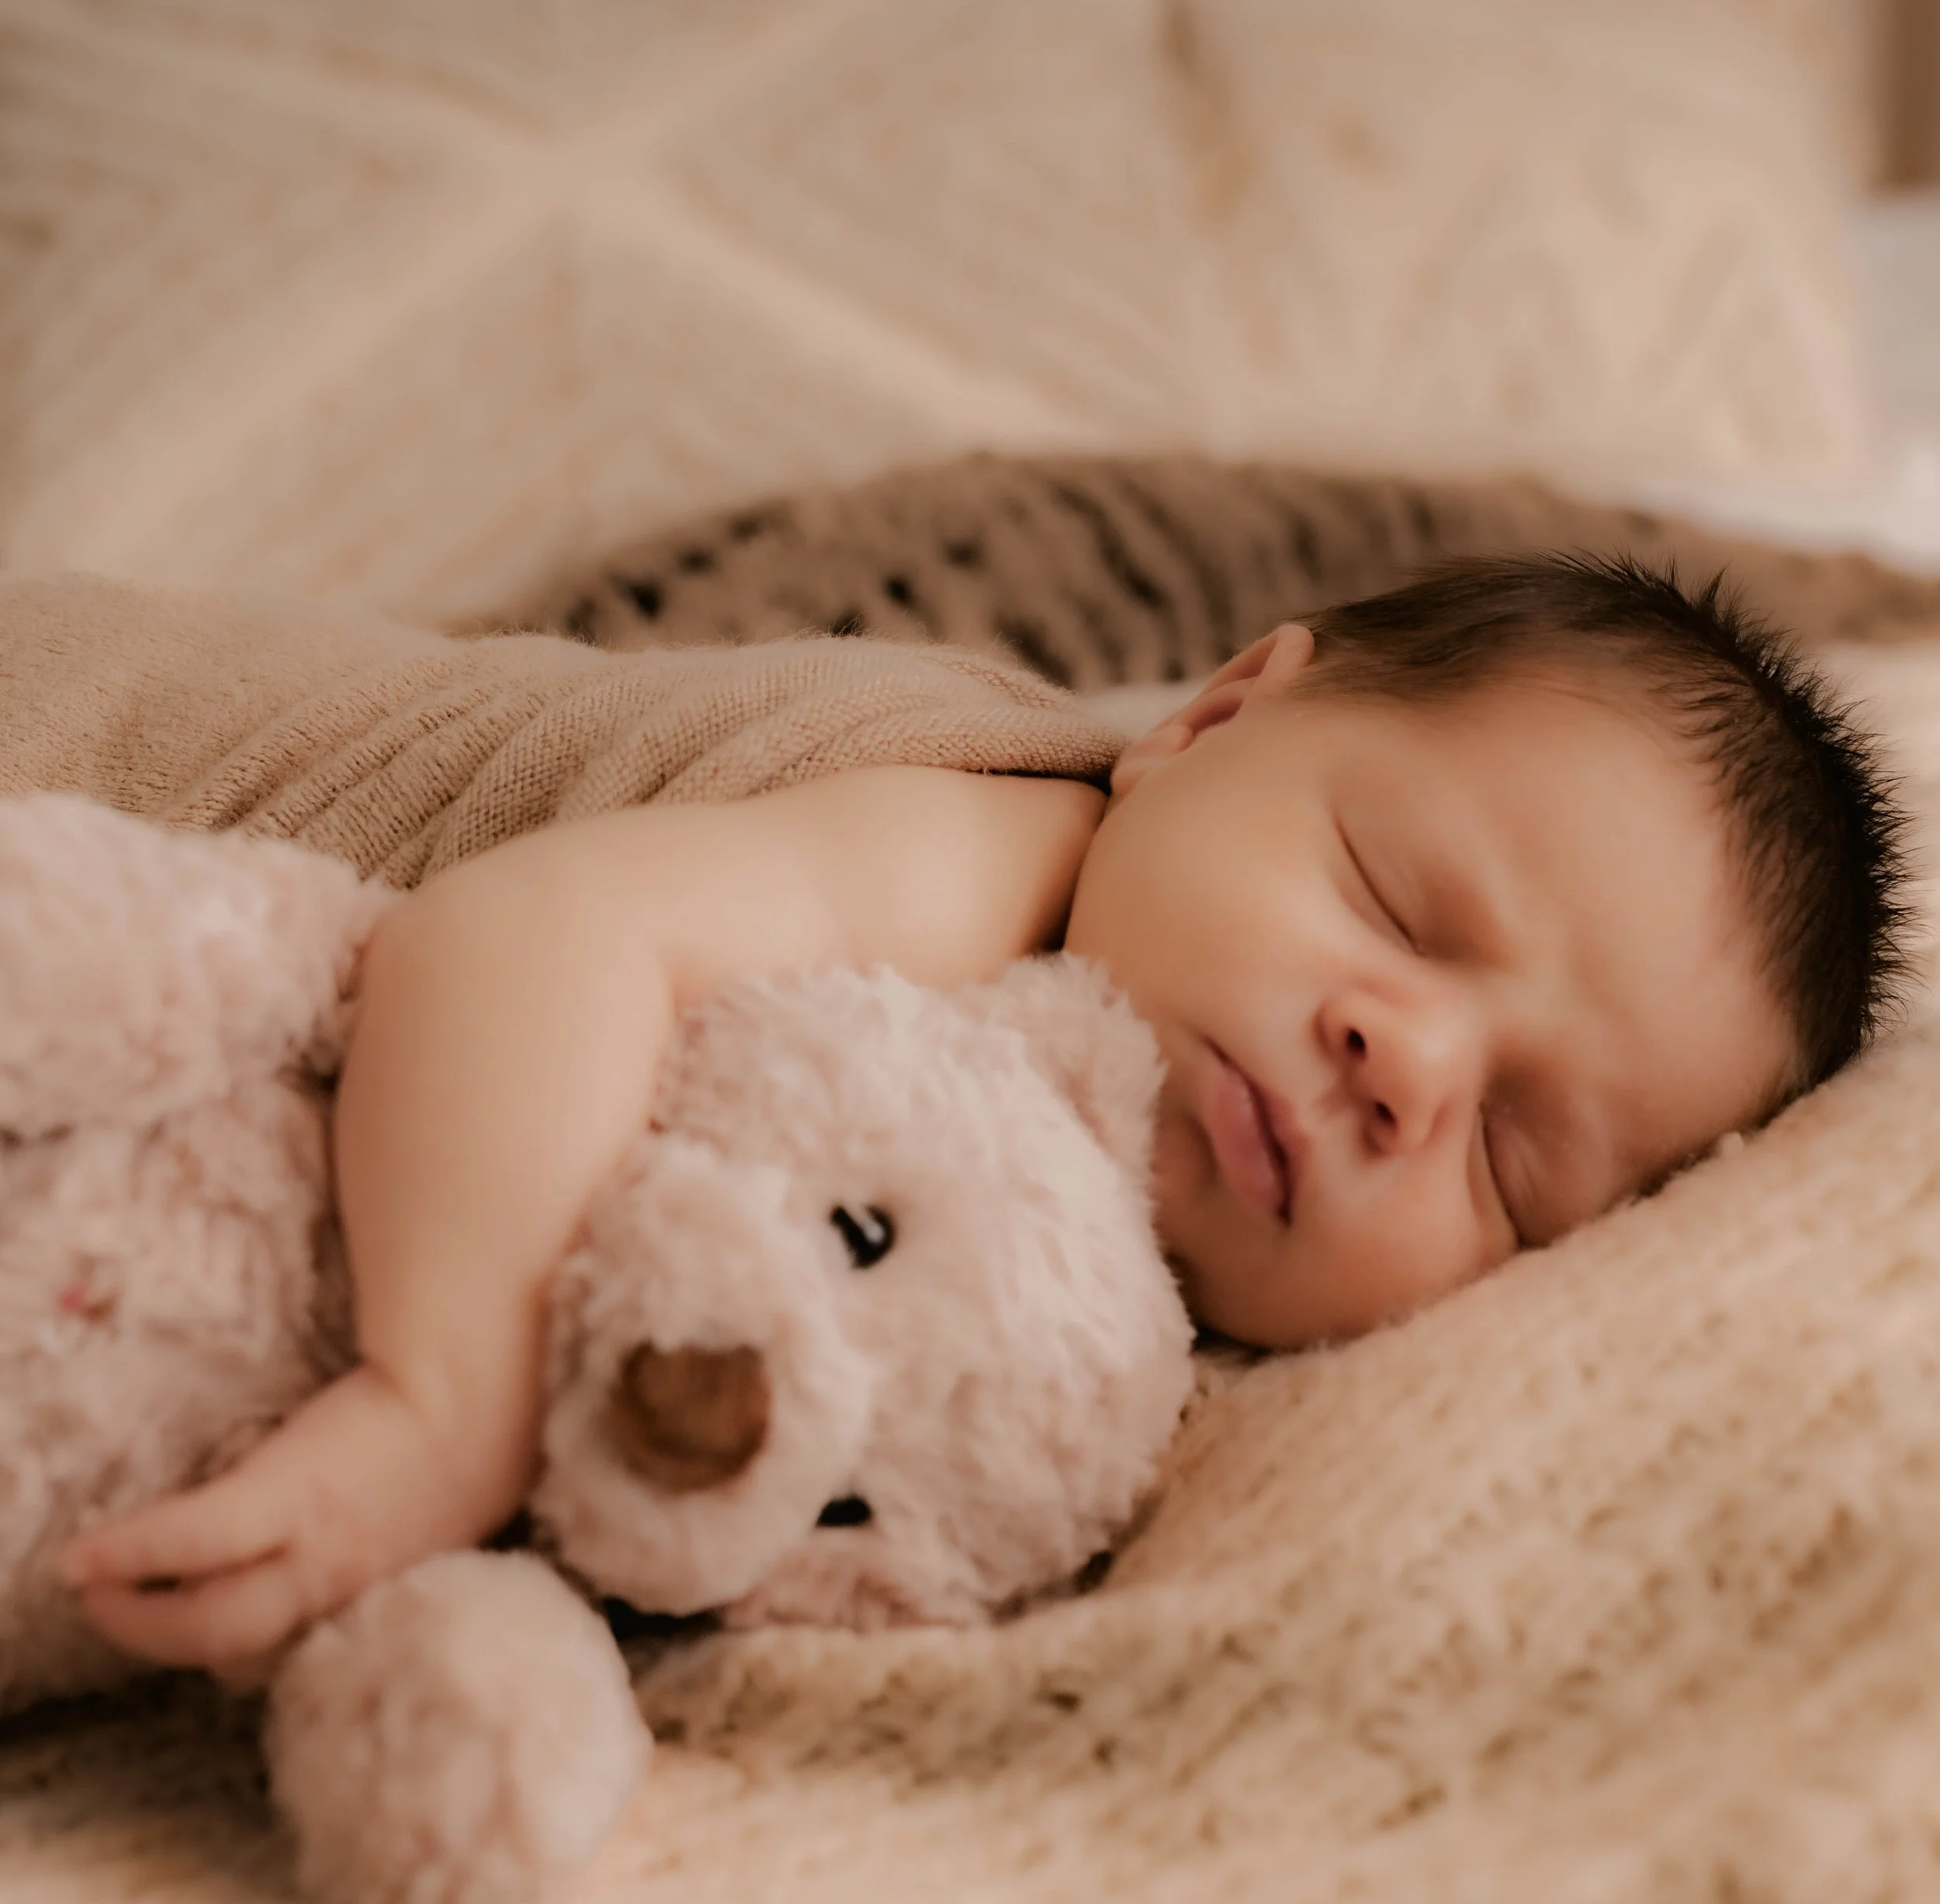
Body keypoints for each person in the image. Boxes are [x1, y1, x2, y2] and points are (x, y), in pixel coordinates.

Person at [57, 554, 1911, 1677]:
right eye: (1395, 901)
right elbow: (527, 936)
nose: (1403, 1061)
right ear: (1213, 712)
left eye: (1513, 1156)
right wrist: (448, 1400)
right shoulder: (979, 837)